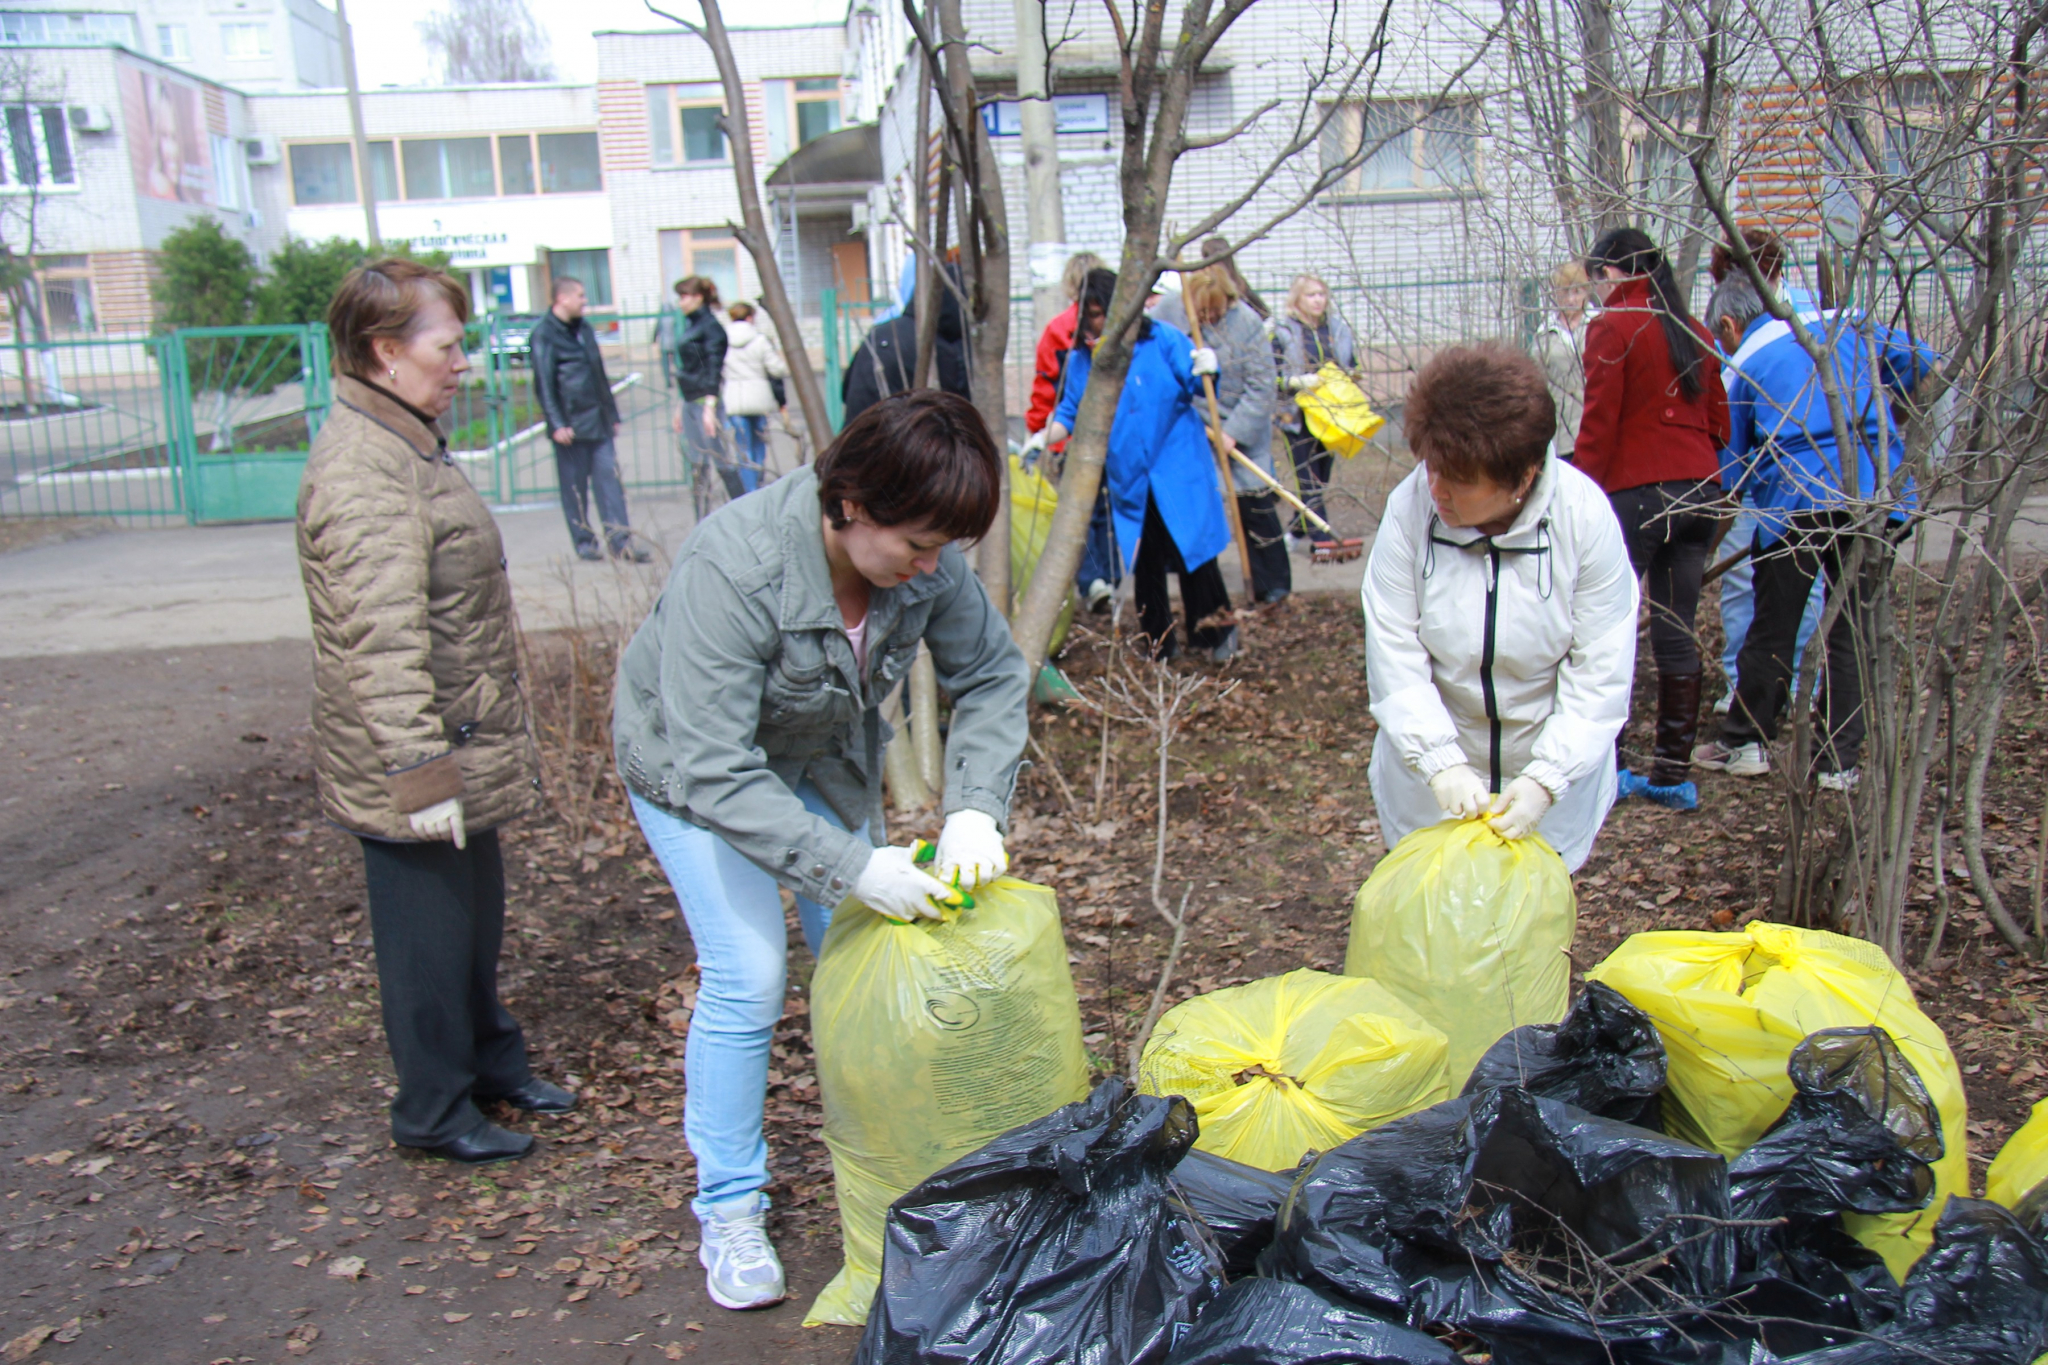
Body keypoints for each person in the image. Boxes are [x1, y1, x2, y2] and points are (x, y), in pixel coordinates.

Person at [612, 390, 1029, 1311]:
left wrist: (973, 810)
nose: (933, 565)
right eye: (919, 544)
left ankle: (895, 1174)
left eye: (945, 548)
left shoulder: (921, 560)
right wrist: (854, 866)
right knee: (750, 972)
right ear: (850, 503)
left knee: (865, 954)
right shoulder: (737, 564)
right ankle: (728, 1205)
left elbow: (994, 674)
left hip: (819, 762)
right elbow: (718, 769)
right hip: (691, 766)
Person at [296, 259, 575, 1167]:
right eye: (447, 346)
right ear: (385, 353)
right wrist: (421, 772)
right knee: (426, 942)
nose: (463, 363)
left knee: (473, 924)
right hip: (415, 757)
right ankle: (432, 1107)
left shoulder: (405, 437)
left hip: (459, 745)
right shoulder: (365, 469)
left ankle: (490, 1066)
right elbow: (378, 640)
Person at [1362, 343, 1638, 873]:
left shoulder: (1583, 520)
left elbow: (1601, 669)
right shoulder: (1410, 509)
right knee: (1435, 921)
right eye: (1431, 468)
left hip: (1546, 774)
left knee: (1523, 931)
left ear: (1524, 476)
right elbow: (1393, 648)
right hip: (1432, 782)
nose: (1436, 490)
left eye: (1460, 480)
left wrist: (1547, 779)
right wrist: (1439, 763)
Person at [1692, 270, 1935, 790]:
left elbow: (1728, 482)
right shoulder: (1848, 326)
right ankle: (1837, 762)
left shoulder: (1746, 368)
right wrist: (1885, 414)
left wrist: (1703, 556)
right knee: (1853, 626)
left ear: (1731, 325)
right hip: (1875, 488)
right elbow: (1925, 364)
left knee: (1774, 623)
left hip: (1795, 502)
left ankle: (1745, 742)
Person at [1575, 227, 1729, 812]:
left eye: (1597, 275)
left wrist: (1583, 492)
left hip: (1636, 493)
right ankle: (1670, 771)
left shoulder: (1612, 327)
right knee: (1676, 627)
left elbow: (1599, 422)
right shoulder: (1693, 328)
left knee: (1607, 629)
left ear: (1613, 272)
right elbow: (1719, 422)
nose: (1594, 288)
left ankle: (1606, 766)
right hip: (1699, 491)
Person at [1034, 267, 1235, 661]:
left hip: (1178, 468)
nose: (1100, 322)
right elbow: (1071, 411)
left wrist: (1209, 368)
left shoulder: (1162, 340)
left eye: (1105, 312)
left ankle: (1215, 635)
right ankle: (1158, 643)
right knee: (1145, 559)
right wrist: (1042, 439)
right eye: (1090, 314)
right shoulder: (1083, 361)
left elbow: (1198, 383)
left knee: (1194, 549)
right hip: (1130, 476)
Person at [1705, 230, 1825, 717]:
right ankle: (1744, 685)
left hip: (1786, 474)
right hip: (1757, 469)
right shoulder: (1731, 325)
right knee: (1745, 584)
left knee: (1795, 585)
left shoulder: (1805, 317)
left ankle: (1792, 689)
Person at [1154, 264, 1287, 603]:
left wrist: (1233, 432)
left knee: (1253, 502)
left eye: (1216, 311)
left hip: (1240, 428)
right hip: (1194, 428)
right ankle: (1201, 588)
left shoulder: (1247, 323)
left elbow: (1262, 386)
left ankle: (1271, 584)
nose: (1209, 317)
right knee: (1195, 505)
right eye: (1202, 312)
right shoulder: (1170, 311)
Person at [1023, 253, 1120, 613]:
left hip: (1071, 438)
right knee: (1106, 508)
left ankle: (1093, 580)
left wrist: (1038, 430)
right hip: (1098, 436)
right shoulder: (1082, 332)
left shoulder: (1058, 329)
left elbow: (1045, 388)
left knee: (1082, 507)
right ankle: (1107, 579)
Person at [531, 277, 645, 563]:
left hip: (598, 422)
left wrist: (612, 414)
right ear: (562, 298)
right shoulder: (544, 334)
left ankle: (621, 543)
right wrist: (556, 423)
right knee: (575, 489)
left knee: (610, 483)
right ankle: (585, 542)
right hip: (570, 426)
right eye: (580, 296)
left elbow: (598, 375)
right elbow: (543, 383)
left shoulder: (584, 330)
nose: (585, 301)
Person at [1272, 273, 1356, 552]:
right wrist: (1297, 381)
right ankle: (1323, 541)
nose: (1318, 300)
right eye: (1311, 295)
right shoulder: (1282, 331)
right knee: (1306, 478)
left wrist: (1351, 376)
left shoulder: (1337, 329)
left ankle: (1297, 531)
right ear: (1297, 299)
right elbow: (1270, 377)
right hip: (1295, 415)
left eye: (1322, 294)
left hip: (1329, 413)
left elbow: (1351, 363)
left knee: (1320, 477)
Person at [840, 267, 970, 424]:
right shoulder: (938, 351)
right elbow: (959, 412)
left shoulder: (879, 332)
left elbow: (845, 390)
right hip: (900, 444)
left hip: (855, 437)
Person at [670, 274, 733, 499]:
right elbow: (689, 369)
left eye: (684, 297)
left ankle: (743, 506)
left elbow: (713, 368)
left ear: (698, 297)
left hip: (705, 403)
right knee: (697, 464)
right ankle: (701, 519)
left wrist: (710, 406)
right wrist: (680, 405)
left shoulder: (711, 328)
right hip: (690, 402)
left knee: (720, 458)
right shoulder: (693, 326)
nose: (680, 303)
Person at [719, 300, 787, 496]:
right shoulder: (759, 340)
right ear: (750, 317)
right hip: (758, 397)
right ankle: (757, 485)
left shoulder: (723, 340)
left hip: (734, 398)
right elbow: (777, 368)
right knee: (759, 444)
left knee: (742, 446)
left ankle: (747, 489)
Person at [1532, 261, 1590, 463]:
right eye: (1565, 292)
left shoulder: (1599, 325)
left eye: (1577, 291)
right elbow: (1537, 384)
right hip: (1561, 434)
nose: (1571, 299)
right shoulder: (1545, 334)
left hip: (1593, 425)